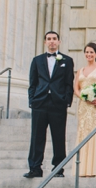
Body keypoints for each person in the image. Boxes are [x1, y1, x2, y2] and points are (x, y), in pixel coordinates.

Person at [25, 31, 75, 178]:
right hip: (39, 103)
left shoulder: (67, 60)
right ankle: (35, 168)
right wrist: (32, 100)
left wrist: (66, 100)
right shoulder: (37, 60)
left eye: (54, 39)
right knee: (37, 137)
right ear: (45, 42)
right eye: (49, 39)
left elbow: (68, 83)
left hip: (58, 103)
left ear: (59, 42)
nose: (52, 41)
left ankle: (58, 168)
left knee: (58, 136)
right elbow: (32, 83)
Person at [73, 43, 96, 177]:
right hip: (83, 105)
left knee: (93, 133)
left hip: (95, 106)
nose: (89, 54)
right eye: (87, 52)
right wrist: (82, 97)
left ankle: (94, 168)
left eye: (91, 52)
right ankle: (82, 168)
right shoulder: (80, 70)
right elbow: (76, 88)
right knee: (82, 131)